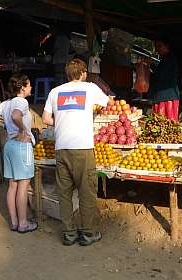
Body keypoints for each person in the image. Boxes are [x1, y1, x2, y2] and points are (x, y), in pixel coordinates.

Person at [42, 58, 109, 246]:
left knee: (64, 193)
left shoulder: (55, 92)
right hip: (83, 148)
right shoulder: (90, 88)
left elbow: (46, 118)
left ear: (67, 74)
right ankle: (88, 234)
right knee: (86, 191)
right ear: (82, 73)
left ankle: (69, 234)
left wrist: (63, 121)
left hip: (61, 148)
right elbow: (107, 103)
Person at [0, 73, 37, 233]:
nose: (31, 88)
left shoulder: (6, 103)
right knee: (23, 184)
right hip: (22, 146)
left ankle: (14, 222)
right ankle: (23, 224)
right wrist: (22, 129)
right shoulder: (21, 102)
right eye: (28, 85)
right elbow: (16, 116)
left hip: (9, 146)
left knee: (13, 185)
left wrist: (7, 127)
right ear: (22, 88)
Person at [148, 39, 180, 122]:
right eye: (156, 47)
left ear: (167, 46)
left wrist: (148, 70)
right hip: (163, 96)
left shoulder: (169, 59)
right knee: (161, 124)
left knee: (166, 123)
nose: (157, 49)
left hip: (166, 97)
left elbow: (160, 75)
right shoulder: (165, 59)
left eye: (159, 46)